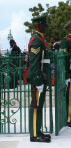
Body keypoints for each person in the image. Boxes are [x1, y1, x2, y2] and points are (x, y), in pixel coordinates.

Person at [26, 14, 51, 143]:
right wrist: (38, 81)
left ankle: (38, 130)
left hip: (41, 79)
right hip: (38, 80)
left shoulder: (40, 40)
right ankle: (35, 135)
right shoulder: (36, 40)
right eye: (44, 25)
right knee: (36, 106)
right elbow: (35, 63)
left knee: (39, 106)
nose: (46, 27)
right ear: (38, 25)